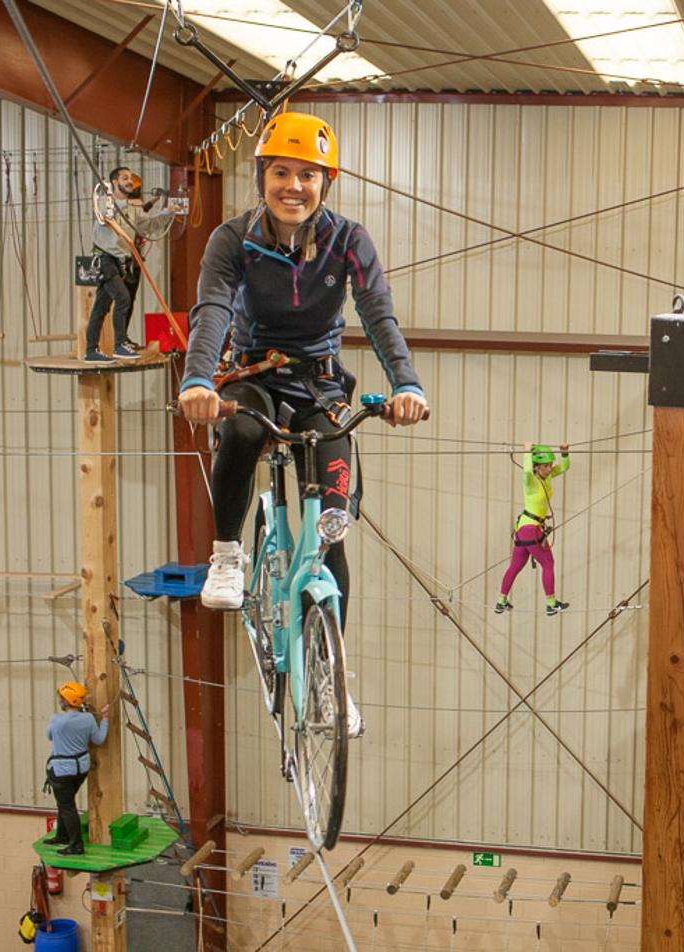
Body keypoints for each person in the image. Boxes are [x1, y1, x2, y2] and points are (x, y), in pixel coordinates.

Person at [177, 112, 428, 729]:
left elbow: (377, 315)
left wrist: (407, 385)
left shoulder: (349, 241)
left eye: (308, 175)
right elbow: (212, 309)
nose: (294, 186)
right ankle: (228, 553)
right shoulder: (232, 240)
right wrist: (199, 379)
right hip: (254, 376)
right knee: (239, 430)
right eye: (281, 172)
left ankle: (331, 679)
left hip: (318, 381)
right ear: (262, 176)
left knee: (332, 526)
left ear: (326, 182)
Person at [84, 166, 172, 362]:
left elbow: (148, 226)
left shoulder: (133, 209)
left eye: (131, 178)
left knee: (102, 306)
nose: (130, 182)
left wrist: (168, 213)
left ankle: (91, 350)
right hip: (105, 257)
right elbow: (105, 217)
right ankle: (119, 344)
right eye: (125, 178)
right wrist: (130, 204)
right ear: (114, 182)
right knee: (123, 298)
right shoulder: (104, 202)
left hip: (120, 259)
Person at [495, 442, 570, 617]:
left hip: (524, 528)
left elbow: (565, 467)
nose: (549, 469)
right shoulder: (530, 481)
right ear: (536, 466)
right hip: (530, 529)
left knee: (515, 566)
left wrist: (565, 453)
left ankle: (501, 602)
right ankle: (551, 604)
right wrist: (527, 452)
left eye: (550, 465)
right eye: (545, 466)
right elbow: (527, 471)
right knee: (548, 563)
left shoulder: (548, 476)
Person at [43, 681, 109, 856]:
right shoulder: (88, 719)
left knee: (67, 806)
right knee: (65, 803)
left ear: (66, 701)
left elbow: (49, 736)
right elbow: (99, 739)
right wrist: (105, 719)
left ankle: (76, 845)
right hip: (81, 769)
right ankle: (62, 835)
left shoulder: (56, 720)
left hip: (62, 771)